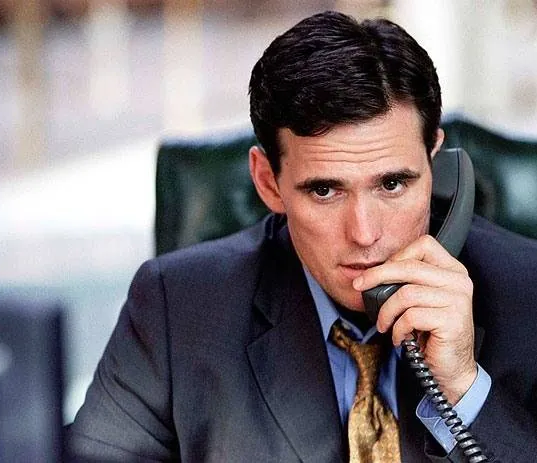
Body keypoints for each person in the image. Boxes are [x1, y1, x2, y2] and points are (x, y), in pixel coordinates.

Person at [67, 10, 537, 462]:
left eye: (393, 184)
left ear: (434, 162)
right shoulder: (177, 308)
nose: (365, 233)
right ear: (268, 182)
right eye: (325, 190)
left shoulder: (527, 295)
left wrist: (463, 389)